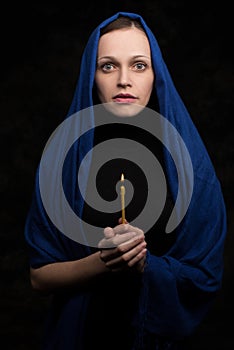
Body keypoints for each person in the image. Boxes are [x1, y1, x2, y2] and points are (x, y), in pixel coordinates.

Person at [24, 12, 227, 350]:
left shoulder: (190, 164)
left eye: (138, 65)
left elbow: (205, 277)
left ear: (156, 75)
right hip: (82, 338)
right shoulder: (63, 160)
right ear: (91, 75)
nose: (123, 80)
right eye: (107, 66)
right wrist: (103, 262)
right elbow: (39, 277)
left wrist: (147, 263)